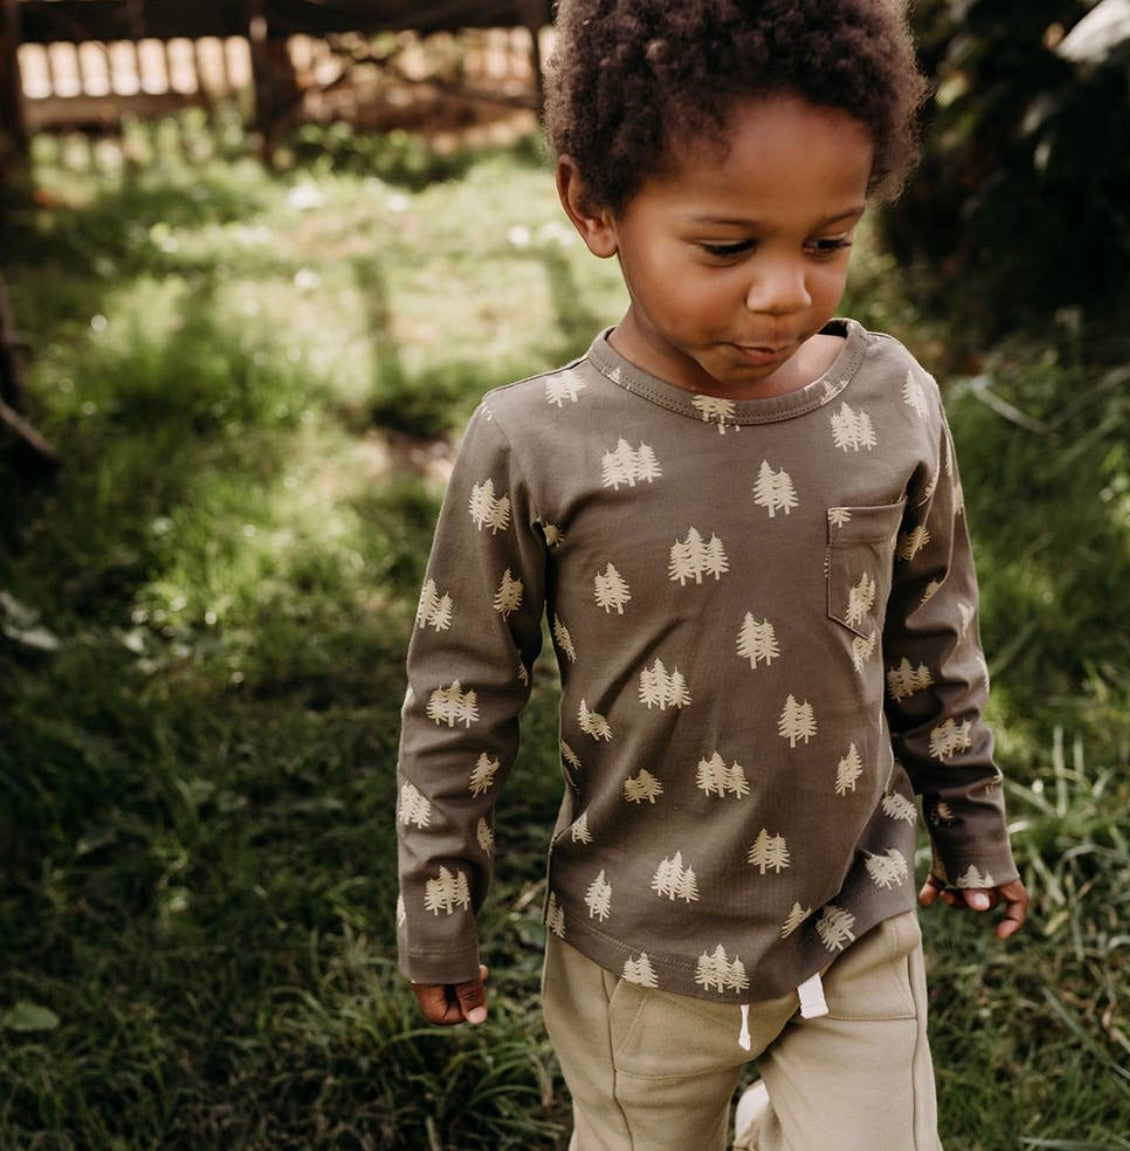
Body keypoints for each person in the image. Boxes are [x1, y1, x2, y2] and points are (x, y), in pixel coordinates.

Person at [394, 1, 1029, 1147]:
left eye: (827, 240)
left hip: (856, 910)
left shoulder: (891, 405)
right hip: (642, 948)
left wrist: (970, 824)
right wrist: (439, 900)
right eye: (727, 246)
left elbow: (932, 636)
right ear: (592, 205)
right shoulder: (532, 444)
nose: (784, 291)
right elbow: (462, 690)